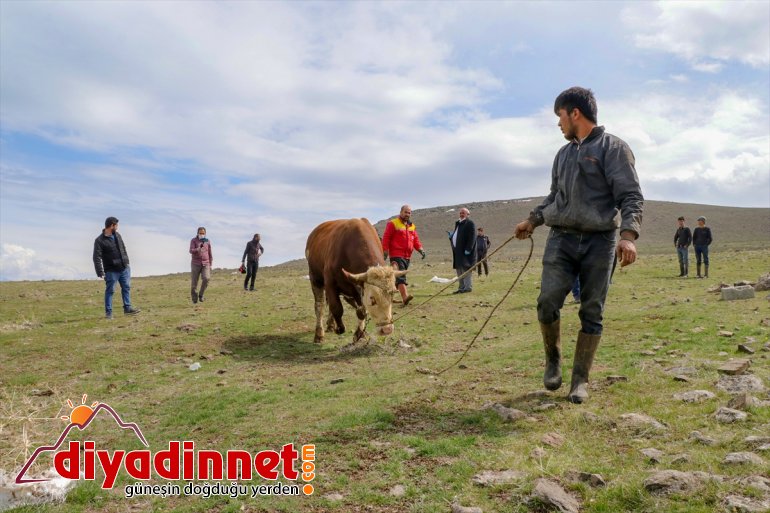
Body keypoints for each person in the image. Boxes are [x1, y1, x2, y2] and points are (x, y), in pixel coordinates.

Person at [514, 87, 643, 404]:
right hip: (561, 238)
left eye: (560, 116)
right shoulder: (563, 154)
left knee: (592, 310)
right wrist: (533, 220)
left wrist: (628, 236)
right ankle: (553, 360)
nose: (558, 123)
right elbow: (554, 196)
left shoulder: (614, 148)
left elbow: (631, 196)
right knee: (547, 301)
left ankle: (579, 381)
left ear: (575, 113)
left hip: (600, 241)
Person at [92, 217, 141, 319]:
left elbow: (123, 248)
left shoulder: (118, 235)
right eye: (116, 225)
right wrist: (100, 272)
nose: (117, 227)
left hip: (124, 268)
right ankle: (109, 313)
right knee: (110, 291)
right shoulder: (99, 241)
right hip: (111, 271)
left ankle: (127, 308)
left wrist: (127, 262)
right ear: (112, 226)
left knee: (126, 287)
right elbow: (96, 257)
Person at [381, 205, 426, 306]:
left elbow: (415, 240)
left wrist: (421, 250)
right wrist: (385, 251)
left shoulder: (412, 226)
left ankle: (385, 297)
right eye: (405, 212)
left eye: (409, 213)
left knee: (395, 278)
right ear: (401, 212)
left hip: (407, 256)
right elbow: (386, 238)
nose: (407, 214)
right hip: (396, 255)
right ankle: (405, 297)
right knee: (401, 277)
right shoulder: (393, 223)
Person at [449, 208, 477, 294]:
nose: (461, 214)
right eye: (460, 213)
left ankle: (467, 288)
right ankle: (461, 288)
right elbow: (458, 235)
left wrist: (468, 249)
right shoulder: (458, 223)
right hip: (458, 251)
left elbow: (472, 237)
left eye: (463, 213)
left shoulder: (470, 223)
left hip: (465, 252)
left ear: (468, 214)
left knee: (466, 269)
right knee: (459, 270)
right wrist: (452, 237)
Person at [189, 227, 213, 303]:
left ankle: (201, 294)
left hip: (206, 263)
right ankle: (194, 298)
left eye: (203, 233)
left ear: (205, 233)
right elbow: (191, 251)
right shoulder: (193, 240)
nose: (202, 234)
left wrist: (210, 263)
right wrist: (198, 248)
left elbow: (209, 253)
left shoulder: (207, 241)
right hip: (195, 263)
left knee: (206, 278)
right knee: (194, 283)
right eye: (200, 233)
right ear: (198, 233)